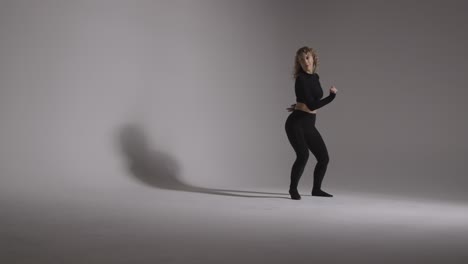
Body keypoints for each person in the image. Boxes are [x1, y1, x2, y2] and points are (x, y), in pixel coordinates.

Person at [284, 46, 338, 200]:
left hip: (309, 125)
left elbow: (310, 100)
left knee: (323, 158)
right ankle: (293, 189)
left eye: (307, 57)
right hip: (296, 124)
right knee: (303, 156)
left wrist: (298, 104)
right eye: (301, 60)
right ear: (299, 63)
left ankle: (316, 189)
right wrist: (331, 97)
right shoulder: (300, 79)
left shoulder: (315, 77)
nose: (305, 61)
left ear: (313, 58)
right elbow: (312, 105)